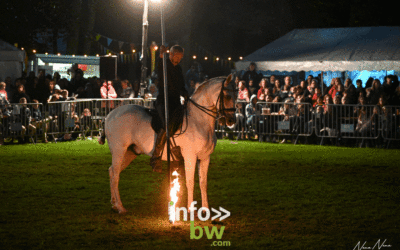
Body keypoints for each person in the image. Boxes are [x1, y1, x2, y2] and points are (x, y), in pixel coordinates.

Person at [151, 45, 189, 172]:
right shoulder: (164, 64)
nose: (178, 59)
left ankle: (177, 149)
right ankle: (156, 156)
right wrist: (161, 55)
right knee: (166, 124)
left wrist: (185, 93)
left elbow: (181, 85)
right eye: (177, 56)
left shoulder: (178, 69)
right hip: (164, 101)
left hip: (175, 102)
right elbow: (160, 67)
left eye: (180, 57)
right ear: (171, 54)